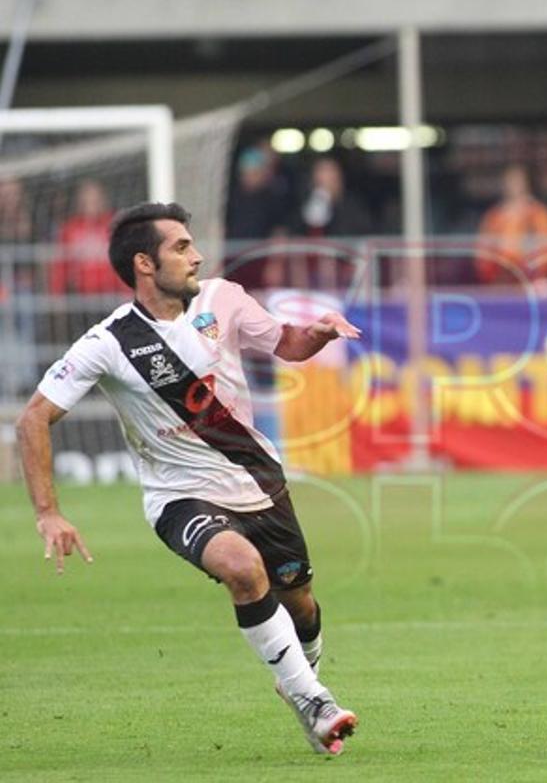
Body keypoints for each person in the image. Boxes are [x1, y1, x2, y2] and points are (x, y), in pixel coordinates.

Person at [15, 202, 362, 755]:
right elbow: (33, 417)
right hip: (179, 497)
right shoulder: (108, 343)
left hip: (257, 482)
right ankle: (316, 701)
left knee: (301, 605)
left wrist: (316, 334)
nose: (196, 255)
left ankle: (297, 681)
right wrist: (47, 512)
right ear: (144, 264)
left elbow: (285, 342)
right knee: (241, 569)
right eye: (181, 247)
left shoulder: (224, 297)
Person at [475, 163, 547, 294]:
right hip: (500, 284)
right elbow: (483, 255)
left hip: (533, 284)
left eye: (518, 181)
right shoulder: (494, 216)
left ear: (527, 183)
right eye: (510, 181)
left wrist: (532, 272)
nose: (514, 185)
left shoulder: (539, 214)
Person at [49, 179, 123, 295]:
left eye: (95, 200)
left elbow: (124, 261)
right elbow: (60, 266)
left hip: (111, 296)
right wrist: (57, 295)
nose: (91, 204)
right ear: (80, 202)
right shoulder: (69, 228)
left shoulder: (115, 226)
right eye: (87, 200)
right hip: (81, 298)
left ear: (103, 200)